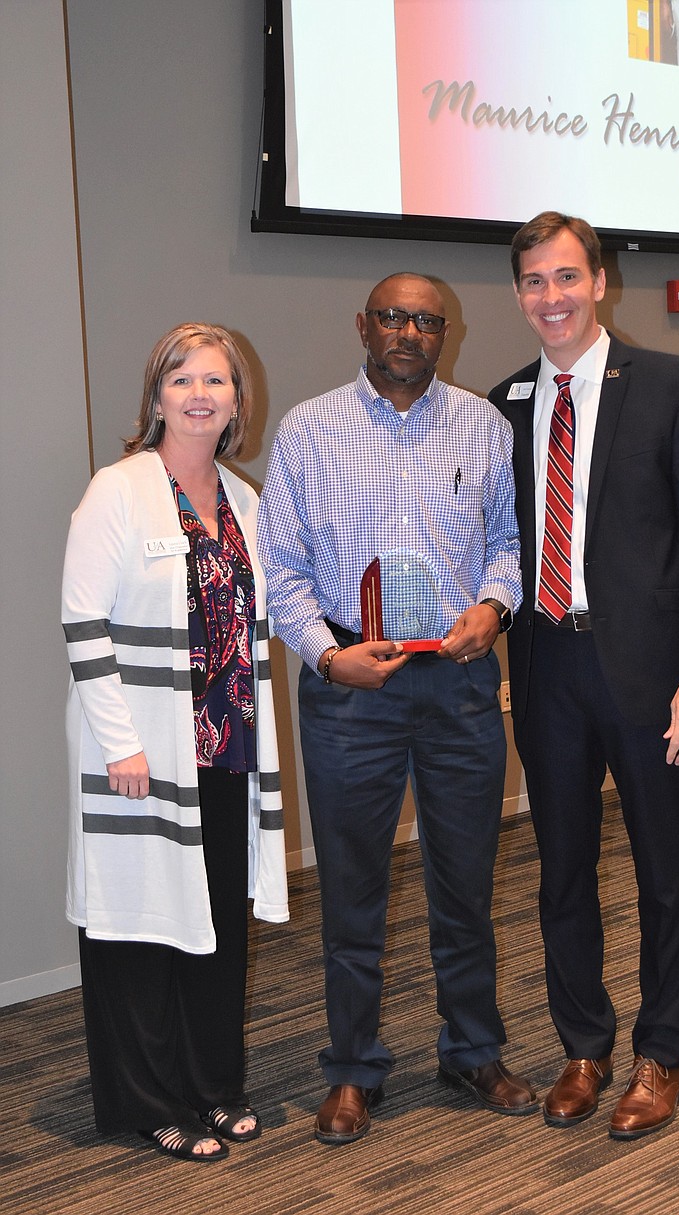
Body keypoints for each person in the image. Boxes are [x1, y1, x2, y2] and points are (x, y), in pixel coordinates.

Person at [259, 272, 537, 1144]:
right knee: (353, 892)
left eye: (425, 319)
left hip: (457, 683)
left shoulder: (484, 426)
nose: (408, 331)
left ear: (444, 333)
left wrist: (492, 607)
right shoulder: (308, 429)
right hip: (352, 688)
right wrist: (330, 655)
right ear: (363, 325)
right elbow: (282, 567)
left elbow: (508, 543)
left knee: (466, 883)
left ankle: (473, 1049)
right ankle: (351, 1067)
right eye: (392, 316)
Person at [488, 213, 679, 1140]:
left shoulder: (672, 383)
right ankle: (584, 1046)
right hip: (548, 666)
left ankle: (660, 1053)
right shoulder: (504, 402)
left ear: (599, 281)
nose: (549, 298)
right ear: (519, 294)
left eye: (565, 277)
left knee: (664, 873)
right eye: (532, 282)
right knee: (562, 869)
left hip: (649, 675)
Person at [62, 323, 289, 1161]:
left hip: (226, 750)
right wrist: (122, 745)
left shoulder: (244, 500)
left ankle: (212, 1087)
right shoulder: (117, 491)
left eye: (216, 382)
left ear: (237, 400)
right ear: (156, 395)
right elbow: (83, 624)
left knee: (217, 926)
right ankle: (147, 1100)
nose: (200, 394)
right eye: (183, 379)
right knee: (141, 929)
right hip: (144, 758)